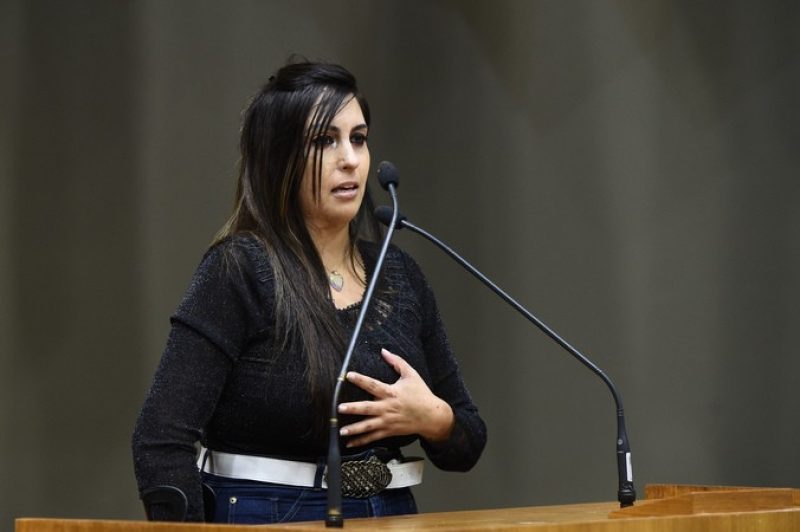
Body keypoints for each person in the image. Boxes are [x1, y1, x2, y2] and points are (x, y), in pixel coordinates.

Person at [131, 61, 487, 524]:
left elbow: (468, 440)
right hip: (269, 513)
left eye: (358, 138)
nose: (351, 159)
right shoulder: (239, 269)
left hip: (391, 512)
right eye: (325, 141)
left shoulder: (398, 272)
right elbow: (160, 441)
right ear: (279, 158)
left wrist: (433, 420)